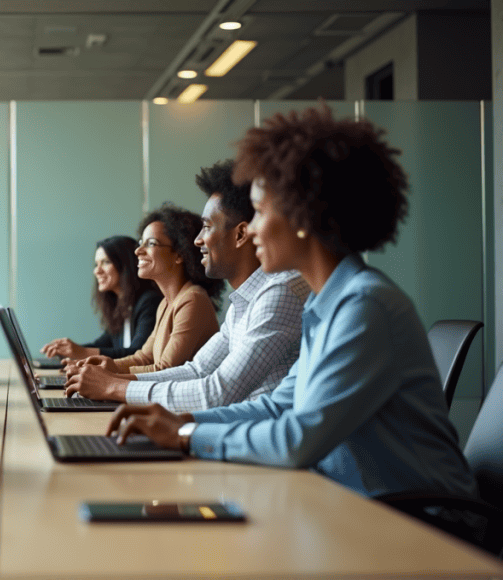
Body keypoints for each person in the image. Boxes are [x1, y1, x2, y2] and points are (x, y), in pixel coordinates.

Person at [108, 105, 476, 499]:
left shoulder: (365, 307)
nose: (254, 229)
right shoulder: (326, 305)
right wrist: (179, 421)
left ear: (304, 216)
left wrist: (185, 434)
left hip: (424, 524)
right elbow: (276, 408)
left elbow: (296, 440)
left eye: (262, 212)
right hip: (356, 505)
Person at [65, 160, 309, 412]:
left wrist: (114, 387)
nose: (197, 239)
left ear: (240, 234)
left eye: (206, 227)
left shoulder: (279, 292)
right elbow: (197, 370)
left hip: (249, 437)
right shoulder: (242, 303)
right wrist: (111, 380)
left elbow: (218, 391)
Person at [67, 205, 222, 377]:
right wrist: (100, 365)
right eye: (141, 243)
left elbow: (165, 370)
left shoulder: (193, 299)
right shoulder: (166, 303)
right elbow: (142, 358)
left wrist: (106, 376)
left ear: (180, 254)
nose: (138, 251)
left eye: (151, 243)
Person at [40, 236, 162, 361]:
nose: (97, 271)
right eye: (96, 264)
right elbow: (101, 345)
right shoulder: (122, 306)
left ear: (125, 265)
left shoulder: (149, 301)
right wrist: (66, 351)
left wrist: (82, 352)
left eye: (106, 262)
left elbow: (138, 354)